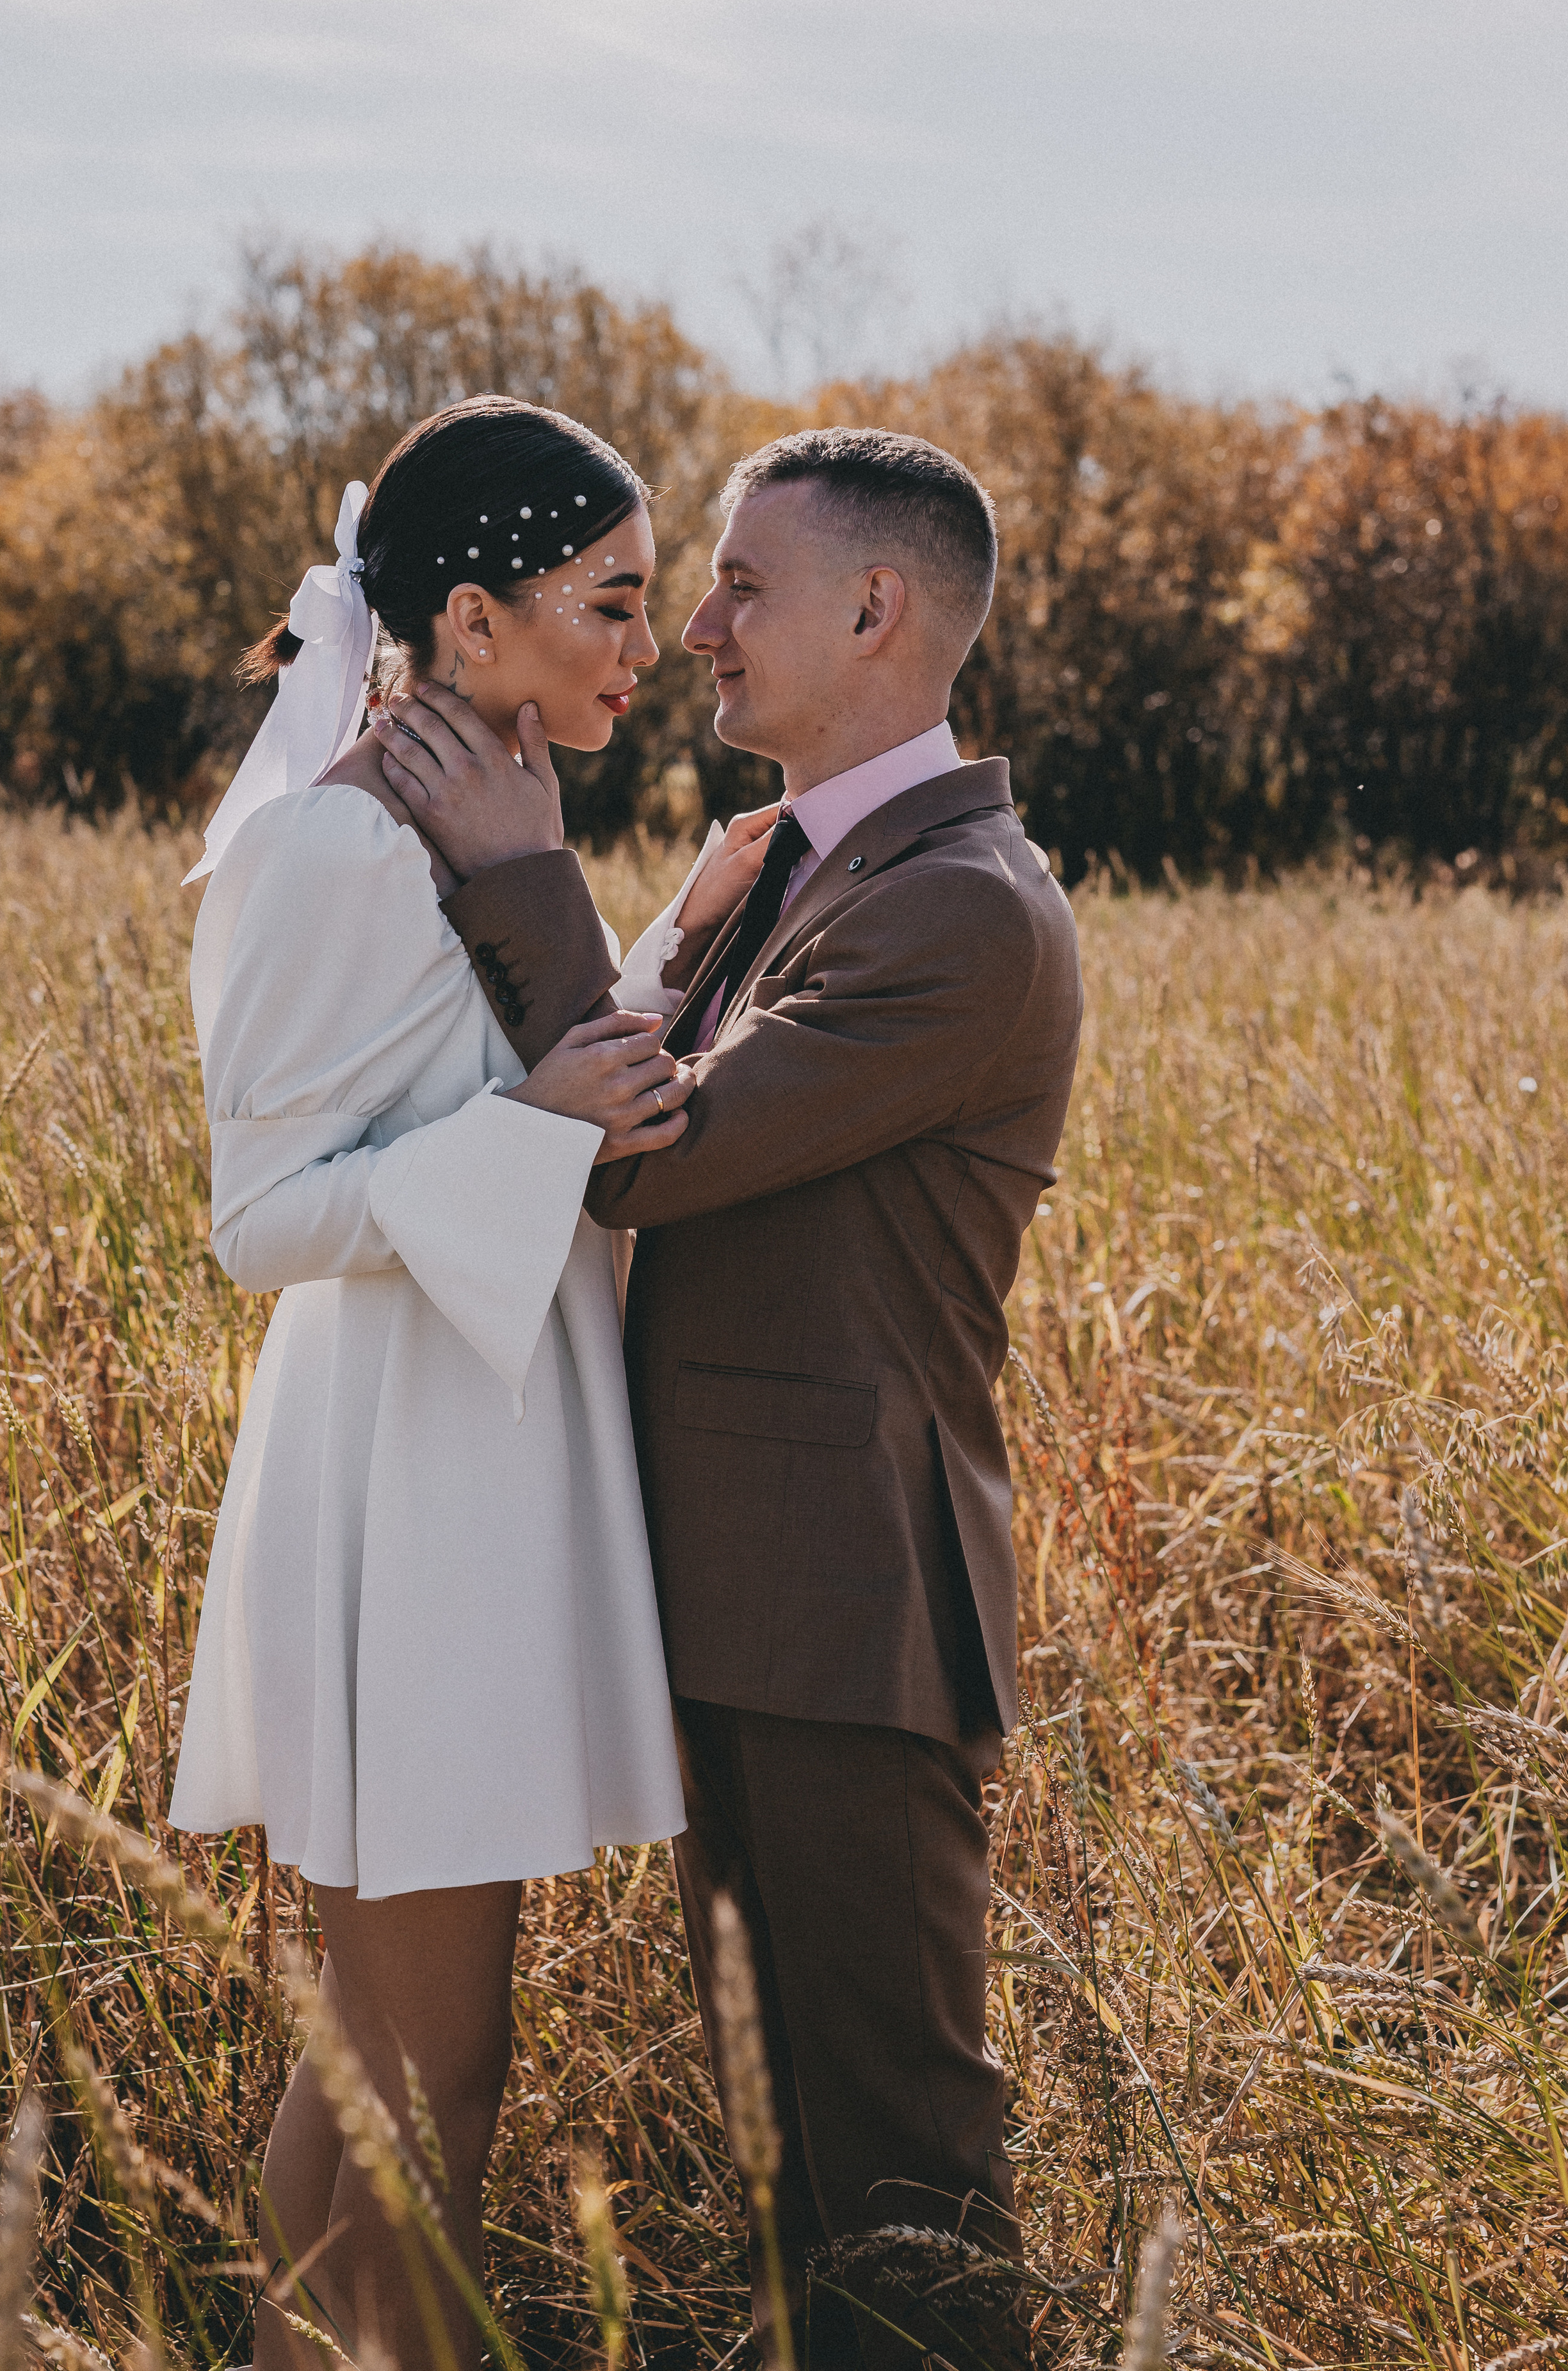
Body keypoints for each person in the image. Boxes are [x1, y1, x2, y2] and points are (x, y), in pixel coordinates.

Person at [375, 427, 1085, 2368]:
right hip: (759, 1602)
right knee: (795, 2179)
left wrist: (524, 873)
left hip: (850, 1609)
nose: (692, 624)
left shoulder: (960, 909)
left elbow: (653, 1155)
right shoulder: (805, 869)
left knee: (902, 2179)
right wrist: (666, 924)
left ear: (879, 607)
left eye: (742, 586)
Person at [168, 396, 773, 2371]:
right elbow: (259, 1218)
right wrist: (533, 1127)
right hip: (413, 1484)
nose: (644, 644)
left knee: (379, 2056)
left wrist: (658, 935)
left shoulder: (487, 801)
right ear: (471, 618)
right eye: (606, 602)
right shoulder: (347, 838)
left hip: (483, 1456)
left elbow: (513, 1060)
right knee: (438, 2061)